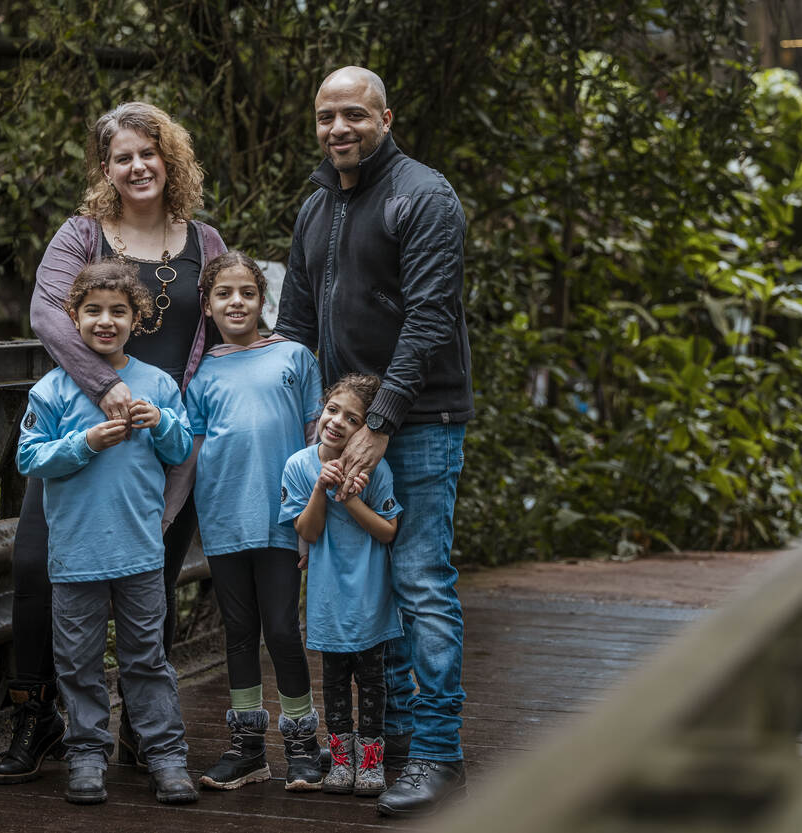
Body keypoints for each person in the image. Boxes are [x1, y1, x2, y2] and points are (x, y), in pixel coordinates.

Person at [0, 101, 227, 785]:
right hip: (83, 431)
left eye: (148, 153)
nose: (137, 166)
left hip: (165, 436)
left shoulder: (206, 243)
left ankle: (142, 732)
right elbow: (46, 311)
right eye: (123, 157)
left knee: (154, 578)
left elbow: (223, 331)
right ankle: (37, 716)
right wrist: (104, 386)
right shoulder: (82, 234)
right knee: (37, 567)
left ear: (169, 159)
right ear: (106, 168)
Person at [275, 65, 474, 817]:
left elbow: (429, 318)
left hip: (417, 423)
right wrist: (308, 425)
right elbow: (296, 326)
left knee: (419, 582)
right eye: (326, 116)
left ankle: (437, 754)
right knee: (371, 585)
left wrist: (380, 423)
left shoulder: (422, 196)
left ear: (385, 118)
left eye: (354, 114)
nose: (339, 129)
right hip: (344, 427)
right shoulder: (317, 205)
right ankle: (392, 747)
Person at [16, 263, 196, 805]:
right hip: (75, 555)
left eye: (118, 311)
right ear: (73, 318)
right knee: (78, 664)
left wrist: (161, 421)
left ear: (136, 320)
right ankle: (87, 755)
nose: (105, 321)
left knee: (147, 660)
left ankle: (166, 756)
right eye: (92, 310)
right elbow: (29, 457)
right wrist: (85, 443)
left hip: (140, 551)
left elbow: (181, 450)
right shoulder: (51, 390)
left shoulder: (157, 384)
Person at [183, 250, 326, 792]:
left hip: (283, 520)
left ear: (263, 300)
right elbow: (194, 452)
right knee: (239, 633)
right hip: (224, 521)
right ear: (207, 306)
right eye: (224, 294)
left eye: (246, 292)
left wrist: (313, 520)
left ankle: (302, 744)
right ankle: (247, 749)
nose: (236, 302)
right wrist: (172, 514)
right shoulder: (202, 373)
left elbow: (316, 441)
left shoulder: (294, 357)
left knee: (283, 630)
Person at [279, 373, 402, 798]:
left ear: (365, 429)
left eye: (353, 419)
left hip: (370, 595)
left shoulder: (376, 469)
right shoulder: (299, 466)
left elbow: (388, 531)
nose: (337, 422)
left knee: (372, 681)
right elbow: (307, 532)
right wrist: (322, 486)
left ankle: (370, 761)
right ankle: (341, 759)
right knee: (333, 682)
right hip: (327, 598)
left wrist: (349, 498)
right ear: (322, 409)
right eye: (333, 410)